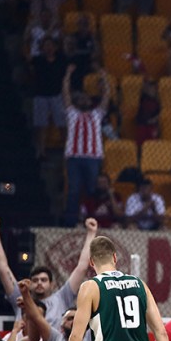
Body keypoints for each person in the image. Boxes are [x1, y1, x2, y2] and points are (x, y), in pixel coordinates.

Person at [0, 216, 98, 328]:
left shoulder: (62, 298)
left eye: (44, 280)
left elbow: (82, 268)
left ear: (52, 285)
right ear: (29, 285)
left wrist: (91, 233)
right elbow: (3, 268)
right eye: (35, 280)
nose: (39, 283)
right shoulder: (21, 299)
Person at [62, 64, 110, 226]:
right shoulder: (72, 114)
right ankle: (70, 222)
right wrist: (68, 76)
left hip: (93, 157)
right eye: (80, 98)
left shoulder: (96, 114)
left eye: (86, 98)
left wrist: (104, 78)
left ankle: (91, 220)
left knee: (91, 190)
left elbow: (106, 97)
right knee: (74, 190)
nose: (83, 100)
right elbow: (66, 95)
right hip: (74, 157)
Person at [19, 279, 92, 341]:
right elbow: (36, 317)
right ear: (61, 327)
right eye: (70, 319)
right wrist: (25, 294)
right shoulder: (55, 339)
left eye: (78, 319)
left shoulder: (91, 338)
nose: (74, 321)